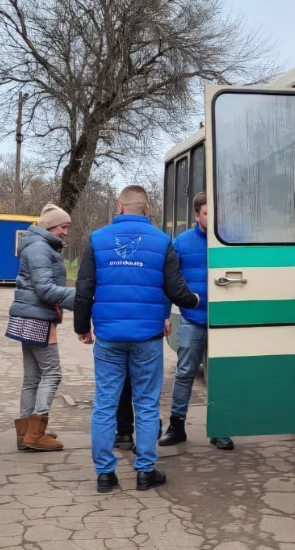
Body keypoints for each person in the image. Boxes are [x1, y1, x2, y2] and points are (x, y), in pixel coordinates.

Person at [74, 185, 200, 494]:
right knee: (145, 402)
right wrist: (195, 300)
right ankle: (145, 471)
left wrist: (82, 327)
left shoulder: (96, 239)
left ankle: (105, 474)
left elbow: (84, 288)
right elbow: (175, 289)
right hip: (147, 337)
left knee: (105, 403)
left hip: (109, 335)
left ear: (119, 208)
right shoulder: (162, 242)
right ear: (146, 209)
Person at [159, 192, 232, 450]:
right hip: (192, 320)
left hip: (224, 321)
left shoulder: (231, 241)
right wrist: (165, 315)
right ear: (197, 215)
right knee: (185, 373)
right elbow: (168, 281)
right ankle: (176, 427)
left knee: (222, 376)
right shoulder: (181, 243)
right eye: (206, 214)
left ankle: (221, 429)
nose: (211, 220)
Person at [7, 204, 74, 452]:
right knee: (53, 373)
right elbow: (45, 289)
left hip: (29, 316)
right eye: (63, 227)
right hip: (37, 318)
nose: (65, 232)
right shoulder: (39, 248)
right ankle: (36, 433)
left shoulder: (37, 245)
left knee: (32, 378)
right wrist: (82, 297)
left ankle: (26, 432)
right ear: (49, 226)